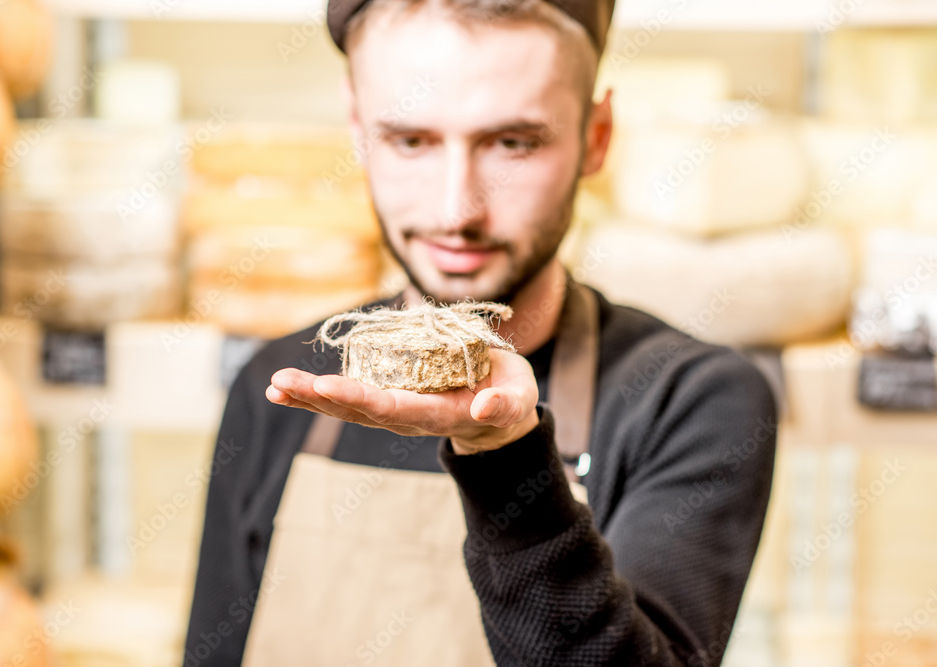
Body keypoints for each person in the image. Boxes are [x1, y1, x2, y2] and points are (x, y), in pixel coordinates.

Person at [184, 0, 777, 664]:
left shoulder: (689, 400)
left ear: (596, 136)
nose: (455, 208)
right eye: (411, 141)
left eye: (513, 142)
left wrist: (504, 452)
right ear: (358, 130)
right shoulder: (282, 389)